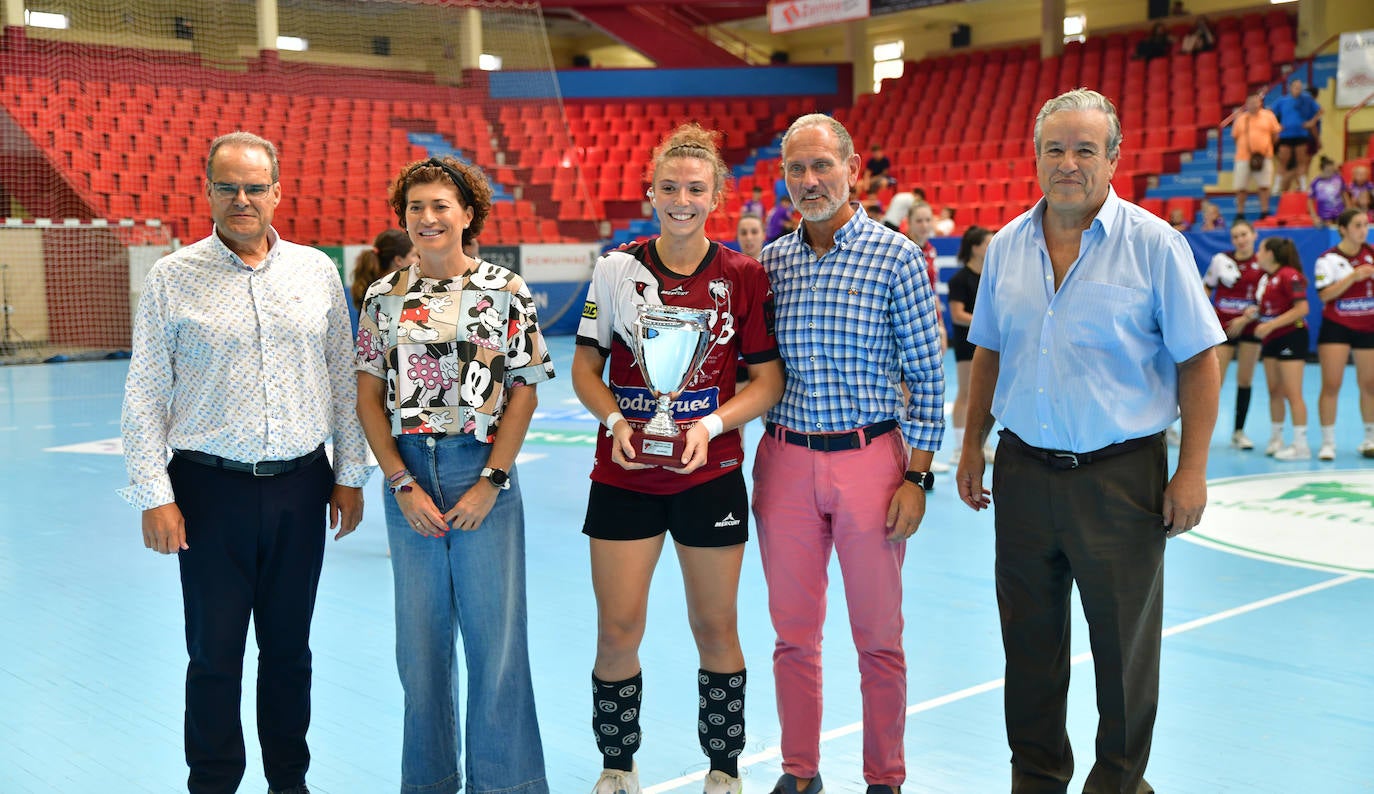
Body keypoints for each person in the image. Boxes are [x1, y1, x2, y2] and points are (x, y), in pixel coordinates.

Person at [955, 89, 1223, 792]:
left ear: (1113, 157)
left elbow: (1200, 360)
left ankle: (1120, 784)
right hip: (1021, 474)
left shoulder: (1156, 245)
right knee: (1030, 648)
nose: (1068, 163)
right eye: (1055, 148)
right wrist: (970, 447)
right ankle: (1037, 780)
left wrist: (1191, 471)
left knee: (1123, 655)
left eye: (1083, 149)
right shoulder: (1007, 246)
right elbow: (987, 352)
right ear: (1037, 157)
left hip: (1121, 479)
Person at [119, 131, 371, 794]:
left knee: (289, 654)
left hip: (302, 485)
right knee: (213, 657)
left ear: (277, 193)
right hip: (207, 494)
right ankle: (212, 784)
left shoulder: (316, 271)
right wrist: (153, 492)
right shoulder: (173, 278)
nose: (241, 199)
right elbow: (144, 391)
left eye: (254, 187)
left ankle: (290, 782)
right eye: (227, 186)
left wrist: (350, 474)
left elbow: (342, 378)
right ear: (206, 190)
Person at [572, 123, 784, 794]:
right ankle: (617, 764)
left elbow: (767, 381)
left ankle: (724, 769)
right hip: (624, 475)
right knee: (618, 629)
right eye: (670, 187)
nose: (682, 200)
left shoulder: (743, 276)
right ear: (650, 193)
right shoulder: (615, 270)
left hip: (710, 475)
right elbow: (585, 368)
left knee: (716, 625)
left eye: (695, 188)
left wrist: (712, 424)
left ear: (716, 194)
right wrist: (614, 419)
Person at [754, 113, 945, 794]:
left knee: (877, 636)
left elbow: (928, 375)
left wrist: (918, 476)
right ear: (784, 178)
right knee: (793, 635)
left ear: (851, 167)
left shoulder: (895, 256)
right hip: (785, 461)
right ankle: (799, 771)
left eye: (821, 166)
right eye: (797, 170)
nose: (810, 181)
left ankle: (884, 778)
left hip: (872, 461)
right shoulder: (769, 265)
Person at [354, 156, 554, 794]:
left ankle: (506, 785)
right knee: (420, 650)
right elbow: (367, 398)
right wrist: (399, 483)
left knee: (494, 644)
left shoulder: (505, 289)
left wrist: (491, 481)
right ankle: (430, 782)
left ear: (468, 215)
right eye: (415, 207)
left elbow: (523, 392)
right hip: (411, 476)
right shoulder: (384, 297)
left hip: (481, 471)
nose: (427, 217)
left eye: (440, 205)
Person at [1312, 207, 1374, 460]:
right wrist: (1353, 277)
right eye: (1357, 225)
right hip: (1337, 326)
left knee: (1369, 384)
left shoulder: (1371, 255)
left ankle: (1370, 438)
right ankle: (1328, 443)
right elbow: (1324, 295)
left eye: (1365, 225)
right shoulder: (1327, 259)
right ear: (1344, 229)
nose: (1363, 230)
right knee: (1332, 384)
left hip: (1368, 325)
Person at [1245, 236, 1311, 459]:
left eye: (1260, 250)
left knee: (1293, 393)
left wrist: (1270, 324)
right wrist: (1255, 314)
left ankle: (1301, 445)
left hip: (1291, 336)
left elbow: (1302, 308)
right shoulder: (1266, 279)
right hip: (1271, 338)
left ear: (1271, 254)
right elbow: (1271, 307)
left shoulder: (1289, 275)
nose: (1257, 254)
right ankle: (1276, 438)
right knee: (1274, 391)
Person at [1202, 219, 1264, 449]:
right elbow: (1204, 290)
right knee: (1213, 381)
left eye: (1244, 234)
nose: (1241, 239)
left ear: (1253, 235)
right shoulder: (1221, 260)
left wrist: (1247, 317)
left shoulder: (1263, 263)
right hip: (1223, 329)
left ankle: (1239, 432)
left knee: (1245, 379)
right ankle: (1197, 433)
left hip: (1250, 328)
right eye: (1236, 236)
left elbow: (1267, 299)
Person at [908, 200, 955, 468]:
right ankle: (907, 460)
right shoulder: (906, 251)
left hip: (929, 328)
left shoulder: (931, 251)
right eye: (919, 221)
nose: (925, 226)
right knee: (907, 398)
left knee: (925, 395)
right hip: (910, 332)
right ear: (909, 222)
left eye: (928, 220)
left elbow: (933, 293)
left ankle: (918, 458)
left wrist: (940, 327)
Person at [945, 225, 992, 467]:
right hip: (967, 344)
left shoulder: (992, 276)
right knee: (965, 393)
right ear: (975, 248)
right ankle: (957, 447)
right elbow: (956, 314)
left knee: (987, 395)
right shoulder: (959, 279)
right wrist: (985, 321)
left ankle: (982, 445)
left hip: (989, 343)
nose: (991, 246)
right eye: (987, 243)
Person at [1232, 87, 1281, 220]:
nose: (1253, 104)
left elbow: (1275, 135)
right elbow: (1235, 137)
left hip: (1264, 156)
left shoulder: (1269, 116)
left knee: (1264, 186)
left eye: (1256, 101)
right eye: (1250, 102)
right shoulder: (1241, 118)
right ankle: (1240, 213)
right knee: (1241, 187)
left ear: (1260, 102)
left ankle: (1264, 211)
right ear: (1247, 104)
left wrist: (1265, 148)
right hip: (1243, 157)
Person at [1273, 79, 1323, 193]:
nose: (1298, 89)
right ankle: (1276, 188)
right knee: (1283, 162)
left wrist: (1312, 122)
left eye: (1300, 87)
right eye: (1296, 87)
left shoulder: (1307, 99)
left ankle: (1304, 187)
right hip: (1285, 135)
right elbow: (1270, 113)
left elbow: (1320, 111)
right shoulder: (1282, 100)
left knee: (1302, 162)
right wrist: (1277, 125)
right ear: (1290, 87)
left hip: (1301, 135)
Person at [1308, 156, 1347, 227]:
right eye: (1328, 171)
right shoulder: (1316, 182)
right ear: (1322, 170)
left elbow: (1344, 194)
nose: (1330, 173)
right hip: (1324, 215)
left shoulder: (1338, 179)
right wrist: (1314, 217)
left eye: (1332, 170)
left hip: (1339, 213)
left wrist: (1348, 210)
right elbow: (1310, 201)